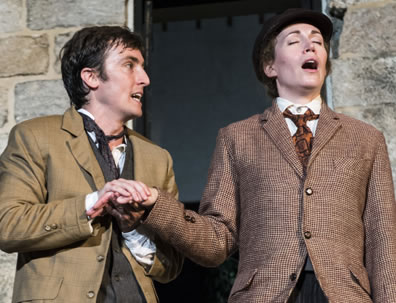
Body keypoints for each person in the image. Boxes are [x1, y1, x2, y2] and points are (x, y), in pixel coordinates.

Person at [98, 8, 396, 302]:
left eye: (317, 41)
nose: (310, 45)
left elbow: (384, 243)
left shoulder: (366, 138)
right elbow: (216, 241)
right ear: (270, 66)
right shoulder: (237, 138)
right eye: (295, 41)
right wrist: (155, 204)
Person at [0, 26, 183, 302]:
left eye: (142, 67)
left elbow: (170, 266)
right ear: (91, 77)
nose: (144, 79)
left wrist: (133, 229)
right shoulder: (35, 137)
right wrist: (90, 205)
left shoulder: (158, 158)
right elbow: (8, 224)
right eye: (129, 65)